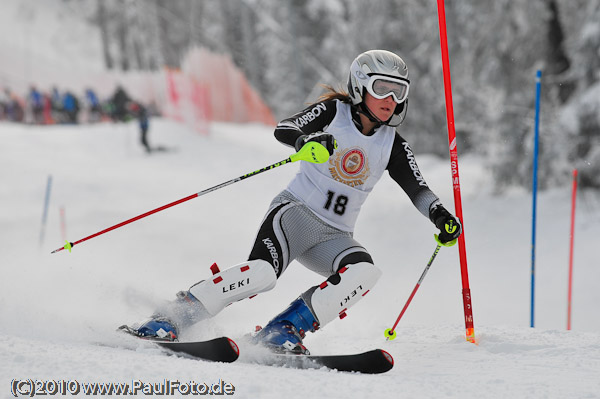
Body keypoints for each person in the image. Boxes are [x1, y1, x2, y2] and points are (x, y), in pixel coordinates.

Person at [126, 50, 462, 354]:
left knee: (364, 272)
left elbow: (417, 188)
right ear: (360, 87)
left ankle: (281, 331)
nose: (390, 98)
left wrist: (440, 215)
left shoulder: (393, 144)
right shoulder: (334, 111)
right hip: (295, 215)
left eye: (399, 91)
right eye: (382, 88)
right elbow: (285, 128)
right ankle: (172, 317)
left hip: (334, 237)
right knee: (261, 274)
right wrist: (308, 140)